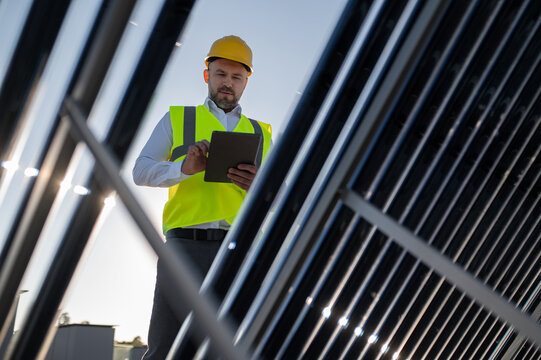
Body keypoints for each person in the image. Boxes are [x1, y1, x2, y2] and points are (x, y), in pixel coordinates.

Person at [132, 35, 272, 359]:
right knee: (167, 347)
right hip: (183, 249)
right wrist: (185, 167)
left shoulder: (261, 132)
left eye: (237, 77)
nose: (228, 84)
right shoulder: (177, 118)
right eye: (221, 74)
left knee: (235, 347)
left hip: (238, 251)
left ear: (245, 82)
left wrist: (259, 187)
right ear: (207, 75)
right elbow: (141, 171)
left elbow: (278, 197)